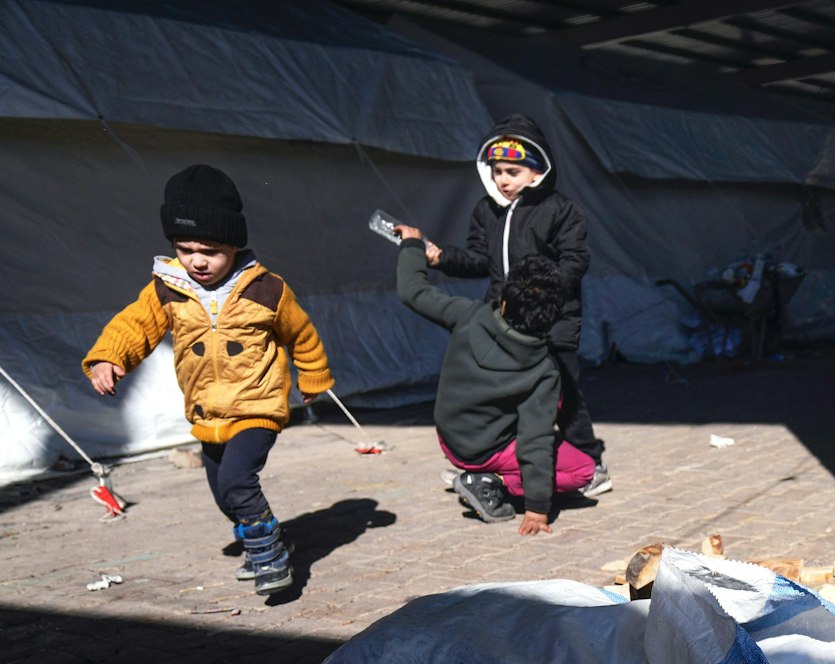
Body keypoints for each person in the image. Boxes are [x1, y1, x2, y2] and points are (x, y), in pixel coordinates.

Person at [83, 164, 334, 595]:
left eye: (211, 250)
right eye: (185, 249)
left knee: (238, 481)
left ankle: (270, 554)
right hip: (206, 411)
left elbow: (301, 333)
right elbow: (134, 325)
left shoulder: (266, 289)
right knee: (223, 494)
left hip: (256, 404)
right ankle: (268, 537)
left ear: (234, 245)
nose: (197, 260)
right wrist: (108, 357)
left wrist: (313, 375)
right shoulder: (168, 287)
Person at [407, 115, 609, 498]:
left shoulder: (560, 209)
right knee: (502, 394)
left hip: (553, 322)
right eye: (497, 171)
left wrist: (538, 294)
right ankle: (493, 462)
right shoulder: (487, 210)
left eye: (513, 172)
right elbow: (478, 260)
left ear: (538, 170)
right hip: (501, 324)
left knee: (563, 394)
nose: (503, 180)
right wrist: (441, 257)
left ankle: (591, 463)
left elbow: (575, 261)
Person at [394, 227, 589, 535]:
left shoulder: (468, 314)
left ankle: (481, 474)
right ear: (552, 317)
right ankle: (491, 481)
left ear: (505, 303)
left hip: (451, 439)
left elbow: (412, 291)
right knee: (583, 470)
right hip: (487, 450)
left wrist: (412, 245)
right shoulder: (544, 370)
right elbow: (534, 441)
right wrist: (537, 508)